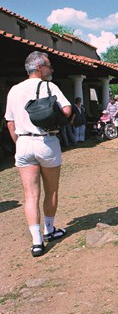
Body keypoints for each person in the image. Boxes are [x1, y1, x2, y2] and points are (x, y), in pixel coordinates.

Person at [4, 51, 72, 257]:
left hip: (23, 142)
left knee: (30, 195)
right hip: (46, 141)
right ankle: (49, 230)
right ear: (40, 68)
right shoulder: (50, 87)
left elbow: (10, 122)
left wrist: (19, 143)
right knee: (51, 190)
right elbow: (67, 110)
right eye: (49, 66)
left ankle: (36, 242)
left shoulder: (14, 90)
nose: (51, 70)